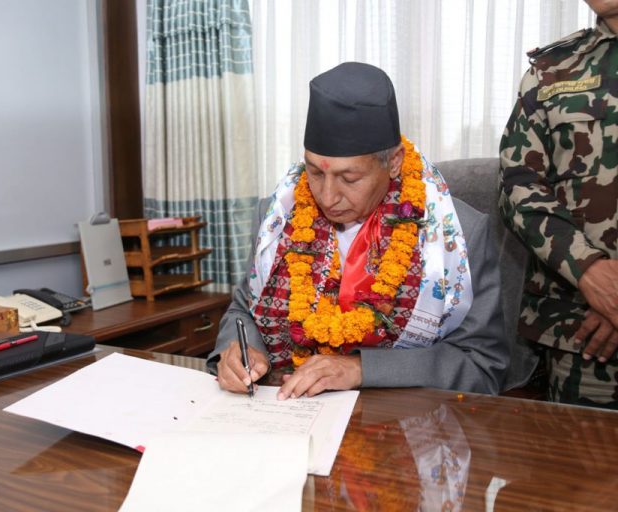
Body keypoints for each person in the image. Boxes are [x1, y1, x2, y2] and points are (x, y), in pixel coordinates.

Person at [207, 62, 509, 399]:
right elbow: (242, 310)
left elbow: (481, 365)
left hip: (396, 420)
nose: (327, 197)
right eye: (315, 173)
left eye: (349, 178)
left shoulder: (457, 237)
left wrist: (362, 369)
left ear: (394, 162)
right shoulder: (276, 218)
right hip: (286, 409)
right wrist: (239, 349)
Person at [499, 1, 618, 409]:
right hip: (585, 342)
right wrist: (589, 271)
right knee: (576, 453)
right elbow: (518, 185)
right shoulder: (552, 69)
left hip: (600, 321)